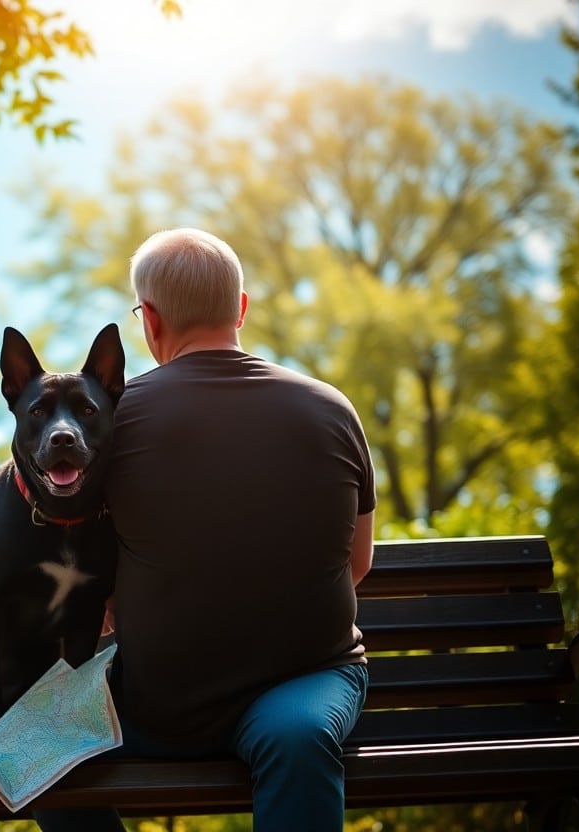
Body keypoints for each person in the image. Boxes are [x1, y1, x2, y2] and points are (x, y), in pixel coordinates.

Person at [35, 227, 375, 832]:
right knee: (299, 740)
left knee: (37, 745)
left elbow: (62, 545)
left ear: (152, 321)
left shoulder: (116, 421)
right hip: (299, 696)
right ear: (241, 309)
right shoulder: (333, 408)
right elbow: (356, 563)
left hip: (157, 704)